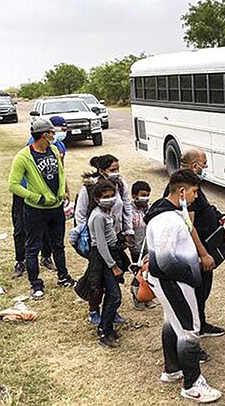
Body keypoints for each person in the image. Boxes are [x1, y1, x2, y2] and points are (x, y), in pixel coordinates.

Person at [146, 169, 222, 403]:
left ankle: (172, 369)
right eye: (194, 192)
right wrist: (191, 274)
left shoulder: (172, 213)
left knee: (173, 323)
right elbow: (165, 260)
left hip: (170, 282)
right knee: (189, 330)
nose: (196, 197)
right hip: (174, 283)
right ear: (181, 191)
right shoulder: (169, 220)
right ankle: (192, 384)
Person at [164, 149, 225, 345]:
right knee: (195, 293)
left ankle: (201, 323)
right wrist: (203, 254)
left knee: (202, 291)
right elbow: (188, 226)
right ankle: (193, 336)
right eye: (204, 163)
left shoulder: (188, 185)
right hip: (195, 254)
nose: (206, 167)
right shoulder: (184, 190)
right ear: (194, 166)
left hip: (202, 247)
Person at [8, 118, 75, 299]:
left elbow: (61, 172)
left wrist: (63, 191)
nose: (55, 135)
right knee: (33, 246)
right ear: (45, 135)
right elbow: (13, 185)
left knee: (58, 245)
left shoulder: (54, 150)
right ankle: (36, 284)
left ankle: (63, 276)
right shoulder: (23, 156)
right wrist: (35, 196)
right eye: (52, 133)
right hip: (35, 210)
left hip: (56, 208)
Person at [74, 155, 133, 325]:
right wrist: (88, 235)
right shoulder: (90, 189)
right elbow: (80, 214)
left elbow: (126, 208)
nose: (116, 173)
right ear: (102, 171)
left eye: (117, 169)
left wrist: (127, 230)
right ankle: (94, 310)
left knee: (111, 280)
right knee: (97, 279)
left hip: (114, 240)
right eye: (112, 170)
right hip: (98, 241)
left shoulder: (119, 185)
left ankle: (111, 310)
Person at [86, 180, 124, 347]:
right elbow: (101, 244)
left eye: (112, 196)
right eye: (105, 197)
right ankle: (104, 331)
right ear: (96, 199)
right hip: (104, 259)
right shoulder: (98, 216)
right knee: (114, 296)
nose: (110, 199)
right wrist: (113, 265)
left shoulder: (106, 213)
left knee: (112, 293)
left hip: (110, 254)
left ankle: (107, 327)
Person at [128, 180, 156, 310]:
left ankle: (147, 297)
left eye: (147, 195)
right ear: (134, 196)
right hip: (136, 248)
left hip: (149, 247)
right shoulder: (129, 211)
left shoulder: (149, 209)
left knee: (148, 273)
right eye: (143, 195)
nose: (145, 198)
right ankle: (137, 296)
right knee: (139, 274)